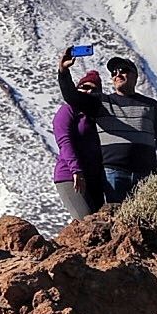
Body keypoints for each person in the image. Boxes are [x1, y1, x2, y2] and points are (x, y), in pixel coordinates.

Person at [57, 48, 157, 205]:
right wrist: (64, 71)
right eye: (113, 73)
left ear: (135, 76)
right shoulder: (101, 102)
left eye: (123, 70)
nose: (117, 75)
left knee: (145, 219)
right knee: (119, 219)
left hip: (146, 174)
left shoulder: (150, 105)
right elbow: (72, 96)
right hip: (114, 173)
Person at [52, 69, 106, 219]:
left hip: (94, 179)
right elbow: (64, 141)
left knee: (99, 222)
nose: (88, 92)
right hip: (70, 175)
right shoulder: (67, 110)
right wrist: (76, 170)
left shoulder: (97, 116)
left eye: (93, 89)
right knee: (85, 219)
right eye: (84, 87)